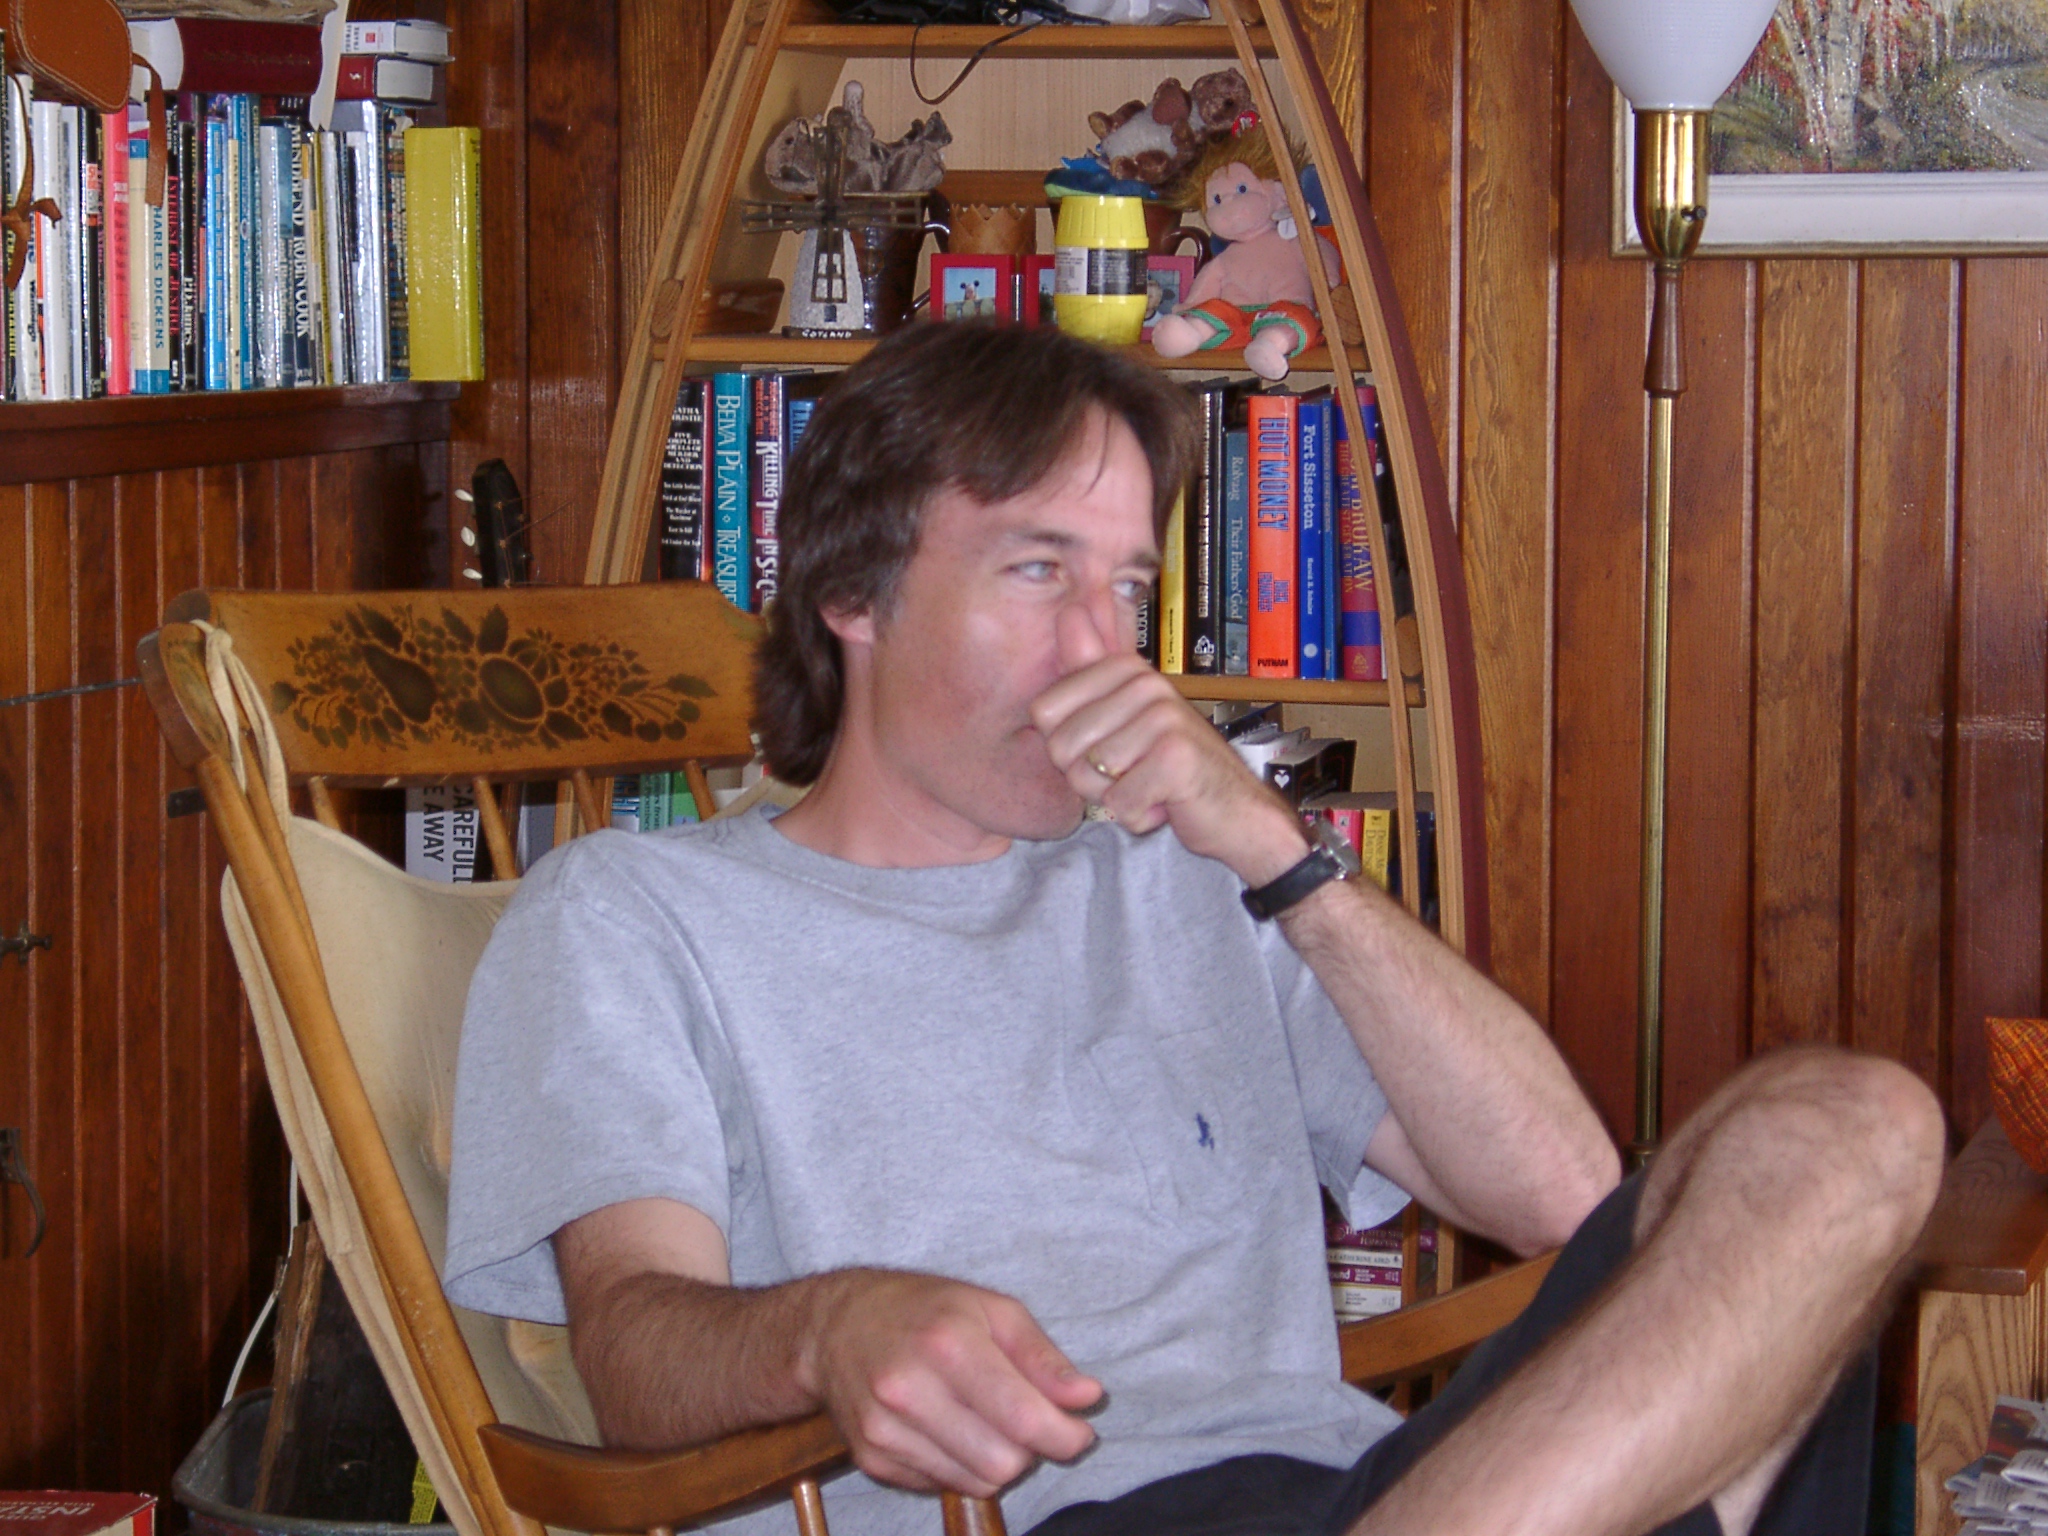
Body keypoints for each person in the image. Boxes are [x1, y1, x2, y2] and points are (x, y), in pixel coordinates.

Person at [445, 321, 1946, 1536]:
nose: (1101, 649)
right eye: (1039, 568)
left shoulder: (1194, 874)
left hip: (1362, 1493)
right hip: (1062, 1522)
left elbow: (1562, 1193)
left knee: (1851, 1124)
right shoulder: (640, 914)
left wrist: (1278, 853)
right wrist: (826, 1330)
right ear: (854, 591)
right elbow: (633, 1353)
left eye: (1129, 586)